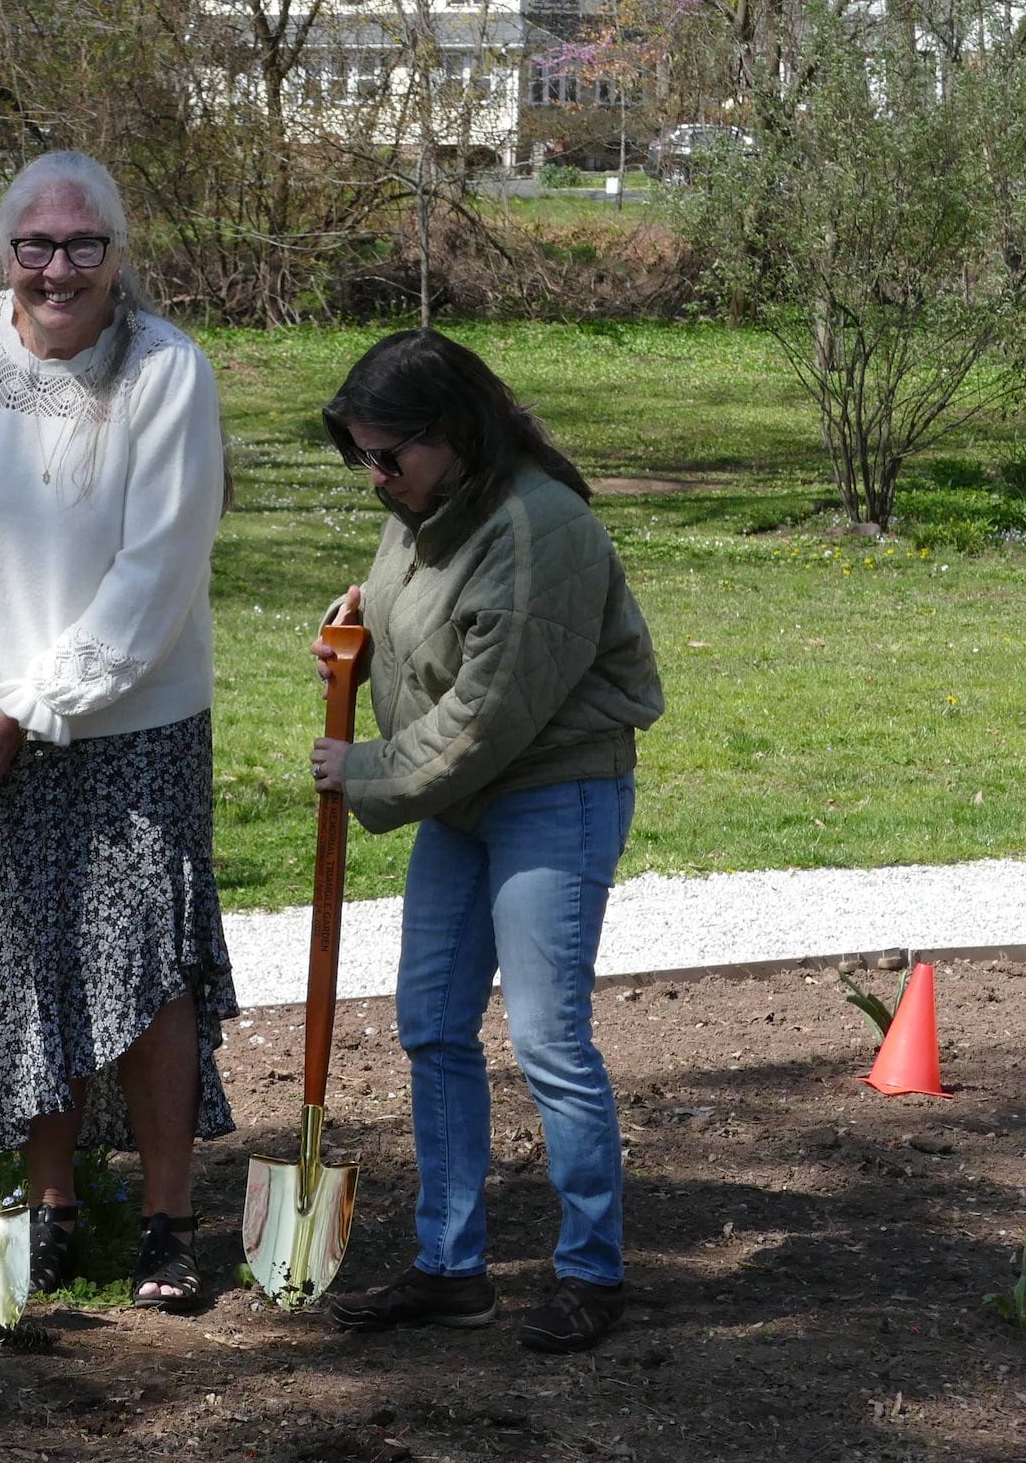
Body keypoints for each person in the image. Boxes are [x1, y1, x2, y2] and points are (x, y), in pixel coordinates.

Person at [0, 150, 234, 1310]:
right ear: (5, 252)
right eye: (35, 245)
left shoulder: (166, 370)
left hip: (133, 716)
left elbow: (157, 568)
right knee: (24, 956)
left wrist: (38, 702)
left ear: (118, 254)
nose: (57, 268)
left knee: (147, 968)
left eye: (84, 246)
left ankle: (169, 1226)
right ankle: (55, 1205)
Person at [307, 327, 663, 1354]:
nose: (375, 477)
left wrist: (366, 771)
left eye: (390, 455)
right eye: (360, 455)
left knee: (549, 1040)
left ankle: (591, 1272)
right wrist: (364, 617)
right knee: (429, 1026)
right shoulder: (423, 507)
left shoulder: (538, 529)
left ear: (454, 432)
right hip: (464, 806)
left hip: (551, 791)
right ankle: (451, 1268)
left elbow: (487, 712)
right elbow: (431, 602)